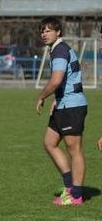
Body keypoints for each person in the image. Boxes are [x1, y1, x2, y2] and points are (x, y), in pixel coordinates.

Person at [36, 17, 88, 205]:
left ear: (58, 32)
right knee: (49, 143)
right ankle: (69, 186)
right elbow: (63, 83)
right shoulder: (57, 50)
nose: (44, 34)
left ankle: (76, 195)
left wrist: (42, 97)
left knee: (75, 150)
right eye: (42, 31)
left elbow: (56, 80)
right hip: (64, 104)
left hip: (73, 106)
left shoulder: (60, 50)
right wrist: (57, 99)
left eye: (48, 30)